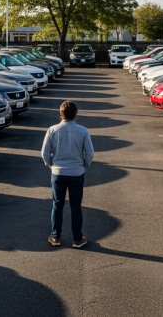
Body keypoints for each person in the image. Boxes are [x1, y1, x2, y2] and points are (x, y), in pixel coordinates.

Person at [41, 101, 94, 248]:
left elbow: (45, 153)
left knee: (57, 205)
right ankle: (77, 238)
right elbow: (90, 153)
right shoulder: (83, 131)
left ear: (60, 114)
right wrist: (84, 165)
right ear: (76, 113)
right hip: (77, 172)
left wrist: (51, 165)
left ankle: (55, 237)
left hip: (58, 172)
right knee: (76, 206)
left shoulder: (52, 130)